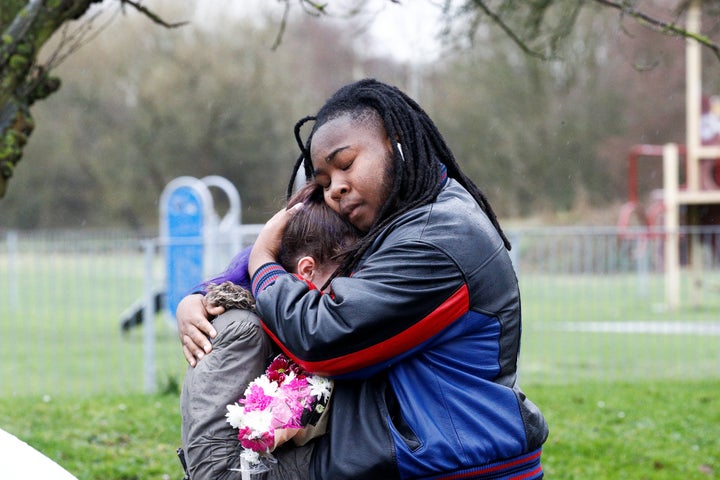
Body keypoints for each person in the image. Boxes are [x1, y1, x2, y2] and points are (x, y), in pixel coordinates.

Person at [178, 78, 549, 479]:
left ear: (396, 142)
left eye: (346, 163)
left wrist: (263, 264)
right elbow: (302, 248)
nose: (335, 188)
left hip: (451, 464)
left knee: (219, 471)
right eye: (323, 182)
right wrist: (204, 294)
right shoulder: (402, 218)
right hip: (411, 456)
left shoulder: (435, 238)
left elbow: (322, 339)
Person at [179, 182, 359, 480]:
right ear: (306, 270)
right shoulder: (243, 328)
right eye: (344, 278)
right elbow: (215, 470)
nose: (349, 293)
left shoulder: (306, 322)